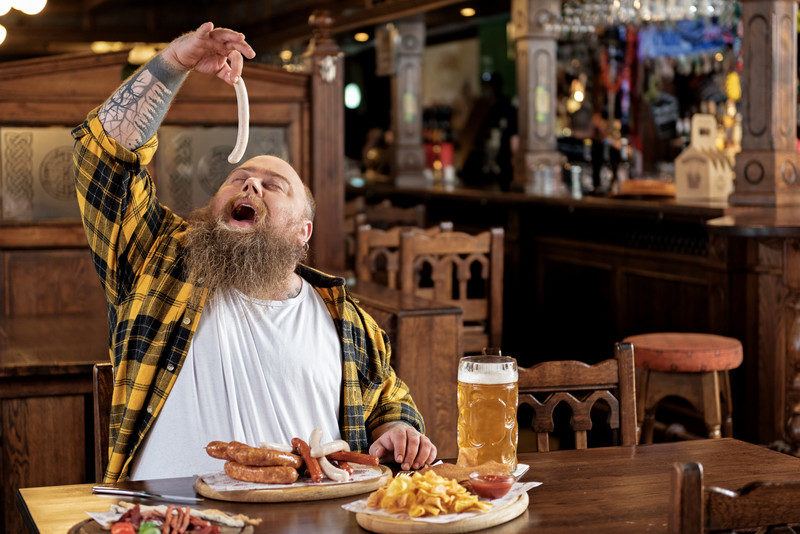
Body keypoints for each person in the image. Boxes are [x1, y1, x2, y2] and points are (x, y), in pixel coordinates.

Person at [73, 22, 436, 482]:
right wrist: (173, 64)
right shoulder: (156, 263)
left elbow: (389, 399)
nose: (249, 183)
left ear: (302, 231)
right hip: (166, 520)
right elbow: (104, 159)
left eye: (273, 185)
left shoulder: (348, 321)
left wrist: (399, 427)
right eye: (238, 178)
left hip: (308, 518)